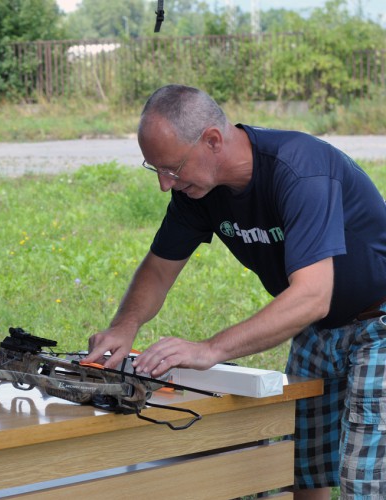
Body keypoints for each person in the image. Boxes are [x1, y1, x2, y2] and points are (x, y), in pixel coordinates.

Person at [83, 84, 386, 500]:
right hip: (316, 328)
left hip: (377, 323)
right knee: (300, 466)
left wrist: (210, 349)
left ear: (212, 140)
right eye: (156, 170)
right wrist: (124, 325)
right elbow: (158, 268)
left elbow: (312, 295)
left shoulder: (300, 170)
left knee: (364, 480)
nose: (165, 185)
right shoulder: (198, 190)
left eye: (172, 168)